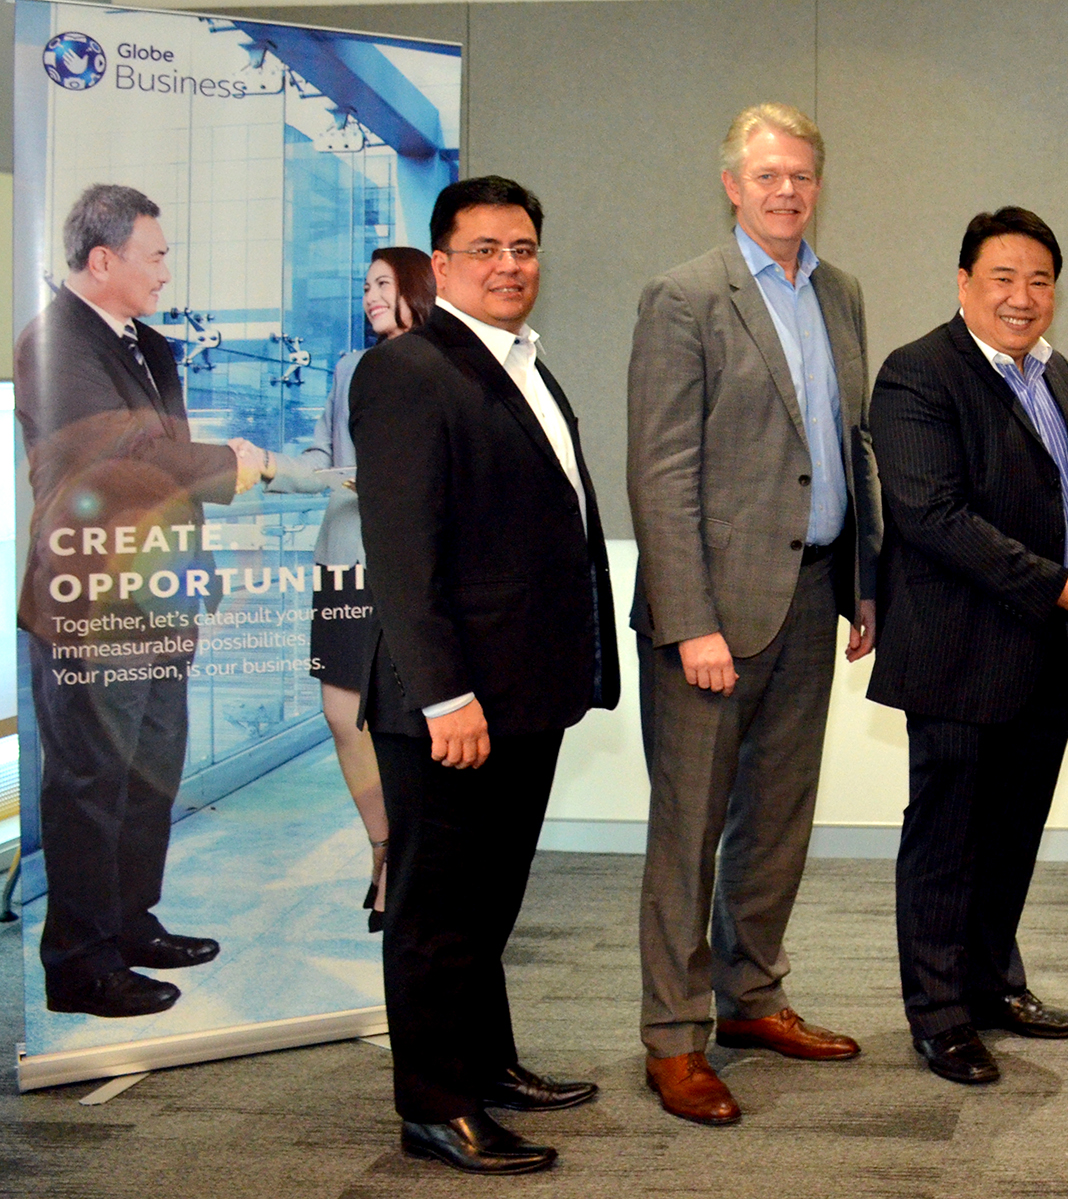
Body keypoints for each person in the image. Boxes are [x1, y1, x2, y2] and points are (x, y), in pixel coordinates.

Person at [352, 176, 618, 1175]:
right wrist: (443, 694)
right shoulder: (406, 370)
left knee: (488, 900)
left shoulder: (525, 363)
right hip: (452, 702)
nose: (510, 265)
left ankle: (486, 1061)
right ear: (442, 263)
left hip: (524, 691)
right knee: (435, 911)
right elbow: (401, 554)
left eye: (524, 247)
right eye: (486, 249)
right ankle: (434, 1104)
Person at [627, 102, 878, 1125]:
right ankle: (674, 1036)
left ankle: (751, 997)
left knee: (777, 819)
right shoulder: (683, 296)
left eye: (801, 175)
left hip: (812, 595)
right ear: (732, 185)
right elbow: (660, 470)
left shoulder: (840, 292)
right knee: (688, 831)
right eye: (767, 175)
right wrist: (690, 621)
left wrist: (864, 583)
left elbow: (851, 446)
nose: (786, 191)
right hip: (712, 614)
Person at [867, 207, 1068, 1086]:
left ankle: (990, 985)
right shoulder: (917, 373)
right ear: (963, 283)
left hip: (1043, 649)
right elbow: (931, 515)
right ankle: (939, 1015)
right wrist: (1054, 583)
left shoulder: (1056, 373)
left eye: (1040, 280)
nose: (1022, 297)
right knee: (945, 838)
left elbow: (1064, 491)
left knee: (1013, 831)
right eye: (1002, 278)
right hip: (958, 651)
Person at [16, 183, 275, 1019]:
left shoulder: (151, 347)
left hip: (161, 594)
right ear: (103, 260)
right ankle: (80, 961)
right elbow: (124, 454)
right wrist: (231, 462)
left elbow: (165, 463)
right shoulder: (53, 342)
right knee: (90, 779)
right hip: (90, 598)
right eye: (154, 256)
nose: (166, 272)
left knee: (149, 767)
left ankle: (130, 922)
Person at [298, 246, 436, 934]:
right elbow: (323, 454)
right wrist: (275, 469)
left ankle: (407, 864)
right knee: (339, 712)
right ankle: (384, 847)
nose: (371, 297)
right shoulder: (350, 367)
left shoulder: (440, 365)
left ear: (416, 285)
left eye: (383, 284)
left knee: (404, 724)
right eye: (365, 287)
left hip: (407, 566)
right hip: (342, 559)